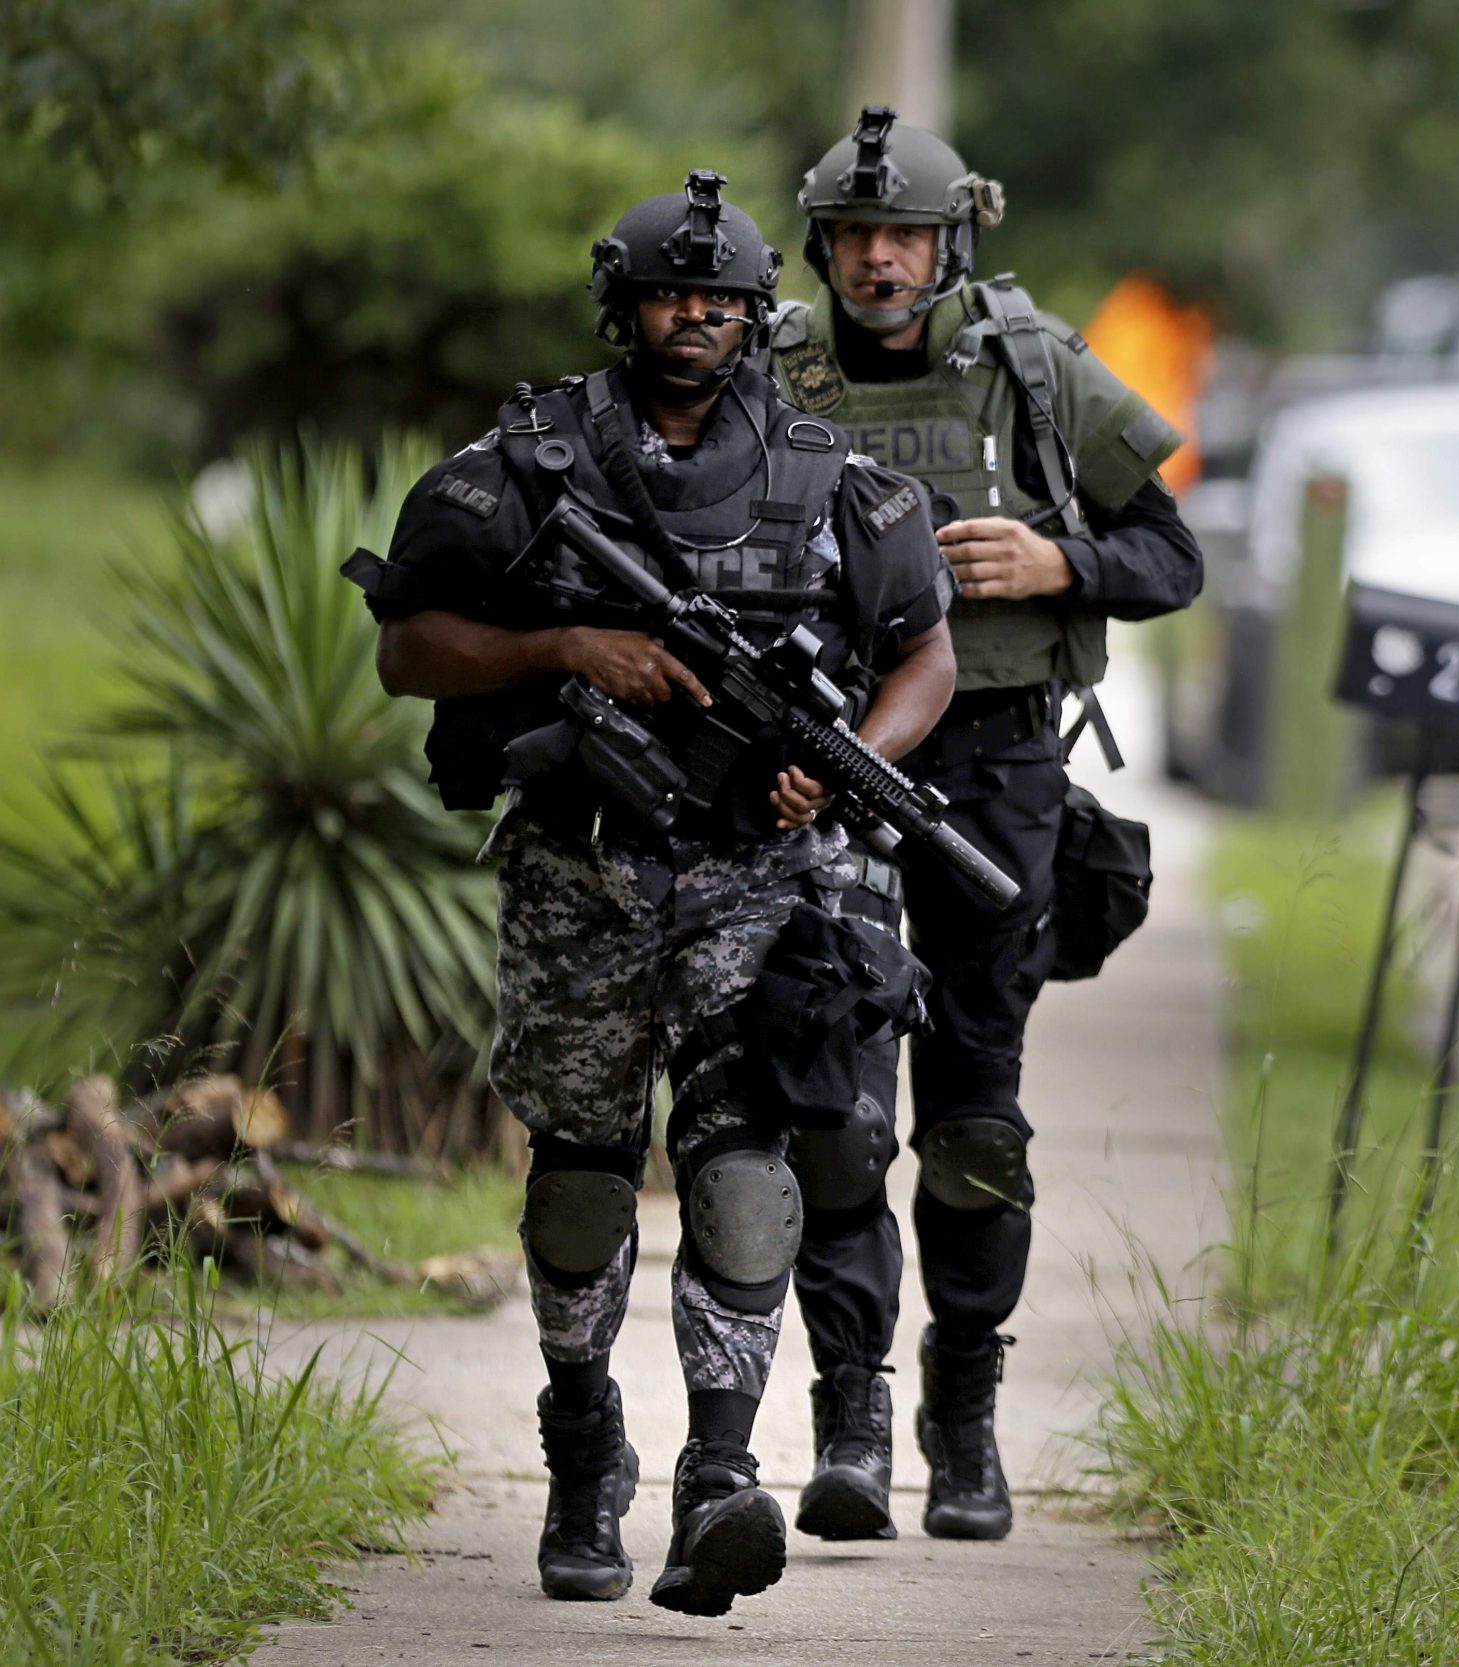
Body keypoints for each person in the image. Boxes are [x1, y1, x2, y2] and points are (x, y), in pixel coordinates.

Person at [349, 170, 955, 1615]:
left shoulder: (829, 474)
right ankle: (583, 1449)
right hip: (582, 872)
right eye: (674, 294)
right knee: (580, 1182)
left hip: (762, 877)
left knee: (744, 1174)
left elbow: (926, 651)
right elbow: (408, 646)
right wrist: (565, 648)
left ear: (756, 316)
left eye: (725, 299)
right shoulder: (523, 465)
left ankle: (716, 1481)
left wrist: (846, 769)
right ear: (622, 309)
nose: (699, 316)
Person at [766, 106, 1201, 1544]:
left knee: (971, 1117)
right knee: (835, 1114)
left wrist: (1056, 561)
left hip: (997, 766)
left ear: (949, 241)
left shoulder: (1034, 367)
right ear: (823, 246)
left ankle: (964, 1415)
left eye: (905, 235)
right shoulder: (771, 371)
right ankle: (850, 1416)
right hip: (825, 764)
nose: (880, 260)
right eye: (856, 237)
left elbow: (1172, 558)